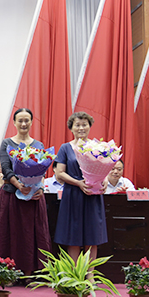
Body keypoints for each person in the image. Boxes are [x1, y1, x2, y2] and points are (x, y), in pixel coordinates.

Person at [0, 108, 51, 276]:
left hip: (33, 198)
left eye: (27, 120)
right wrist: (19, 186)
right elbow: (6, 168)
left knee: (30, 236)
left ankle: (29, 273)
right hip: (11, 196)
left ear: (31, 122)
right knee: (9, 235)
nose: (23, 124)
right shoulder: (6, 143)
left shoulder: (38, 145)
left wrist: (40, 189)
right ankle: (8, 273)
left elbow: (42, 172)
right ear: (14, 123)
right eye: (20, 121)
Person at [54, 111, 108, 262]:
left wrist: (104, 180)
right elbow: (60, 173)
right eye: (77, 125)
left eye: (84, 124)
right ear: (71, 128)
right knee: (73, 236)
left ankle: (90, 273)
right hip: (73, 194)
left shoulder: (97, 147)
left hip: (92, 194)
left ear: (90, 126)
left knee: (93, 236)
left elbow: (104, 167)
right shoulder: (65, 148)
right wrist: (78, 183)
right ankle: (75, 272)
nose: (81, 128)